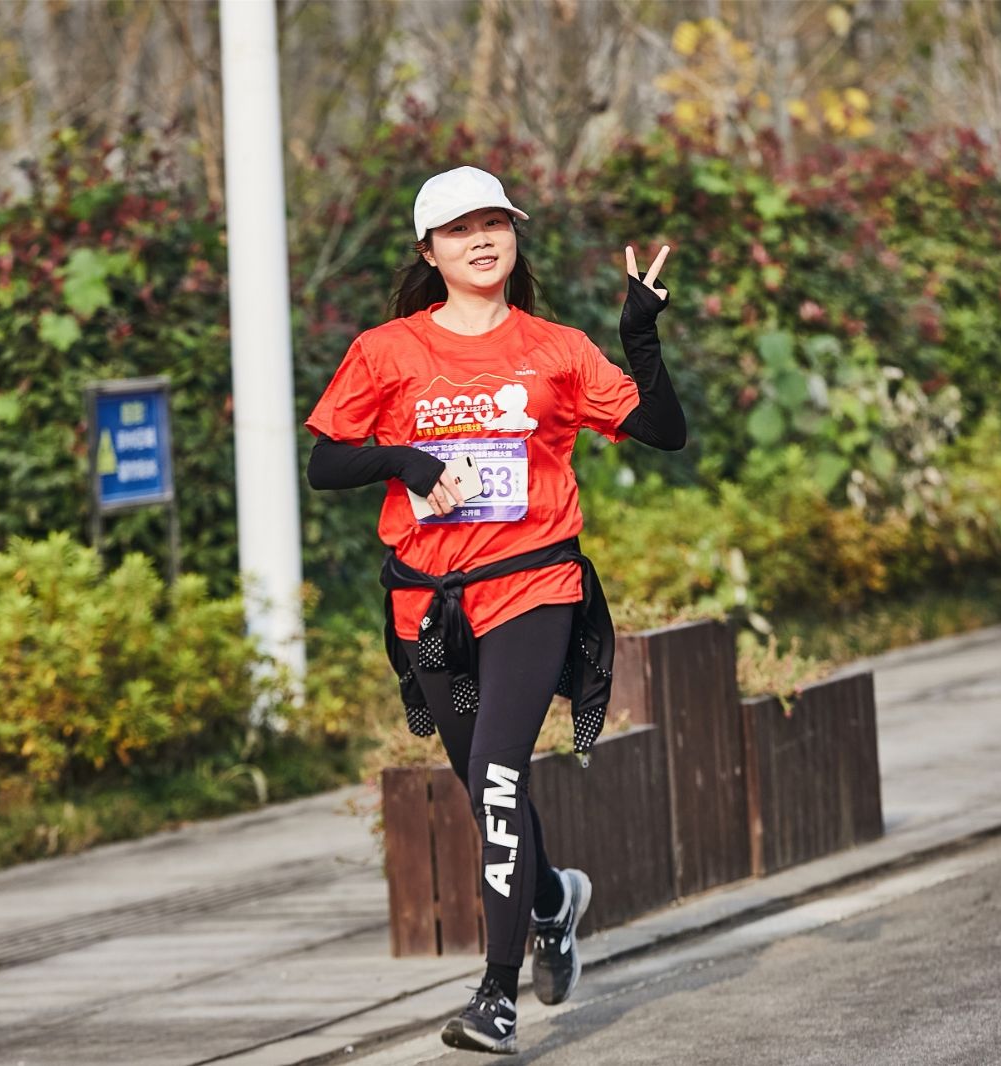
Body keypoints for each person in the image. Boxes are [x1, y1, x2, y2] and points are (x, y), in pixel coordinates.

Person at [304, 165, 685, 1054]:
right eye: (460, 228)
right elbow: (327, 464)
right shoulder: (386, 351)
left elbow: (665, 431)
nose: (483, 239)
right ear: (429, 251)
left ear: (514, 237)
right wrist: (407, 463)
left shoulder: (556, 348)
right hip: (430, 609)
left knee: (503, 777)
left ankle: (494, 997)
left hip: (532, 588)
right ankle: (554, 900)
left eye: (496, 223)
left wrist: (641, 337)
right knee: (483, 787)